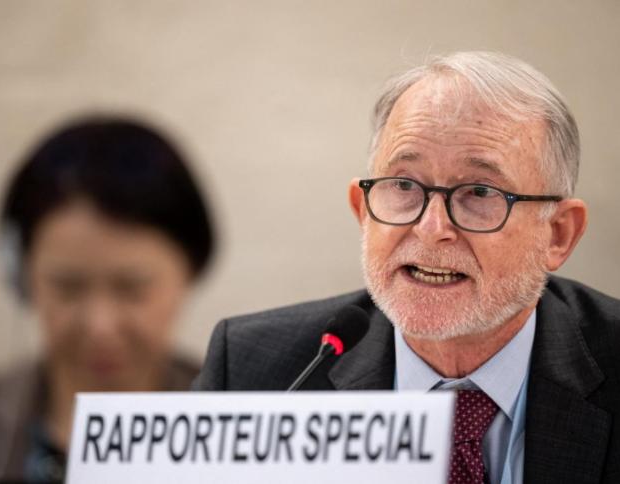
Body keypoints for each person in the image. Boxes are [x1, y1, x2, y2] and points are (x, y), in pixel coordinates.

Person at [194, 52, 620, 483]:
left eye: (479, 191)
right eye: (403, 184)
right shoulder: (253, 372)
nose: (431, 228)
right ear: (363, 211)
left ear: (558, 234)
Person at [0, 116, 215, 482]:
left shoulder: (242, 428)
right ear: (20, 276)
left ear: (191, 272)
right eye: (67, 288)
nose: (100, 326)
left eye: (132, 288)